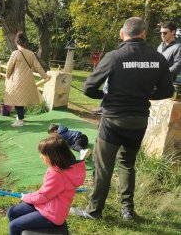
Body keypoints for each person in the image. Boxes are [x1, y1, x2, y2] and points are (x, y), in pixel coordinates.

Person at [70, 17, 174, 221]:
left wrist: (105, 96)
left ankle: (93, 211)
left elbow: (88, 87)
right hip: (139, 120)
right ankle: (127, 211)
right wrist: (146, 95)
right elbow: (167, 90)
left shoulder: (114, 56)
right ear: (143, 34)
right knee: (127, 164)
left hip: (113, 121)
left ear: (122, 34)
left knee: (103, 167)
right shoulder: (157, 58)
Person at [7, 135, 86, 235]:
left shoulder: (57, 175)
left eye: (43, 154)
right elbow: (45, 192)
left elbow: (42, 196)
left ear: (53, 156)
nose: (41, 156)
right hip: (46, 205)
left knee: (14, 226)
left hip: (52, 214)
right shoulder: (64, 168)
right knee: (11, 212)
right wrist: (32, 196)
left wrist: (26, 197)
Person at [4, 31, 50, 127]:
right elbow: (38, 67)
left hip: (17, 79)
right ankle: (20, 117)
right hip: (28, 79)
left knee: (17, 100)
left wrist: (8, 76)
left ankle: (20, 120)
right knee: (22, 99)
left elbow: (9, 67)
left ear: (16, 42)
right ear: (24, 43)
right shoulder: (31, 53)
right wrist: (45, 76)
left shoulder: (15, 53)